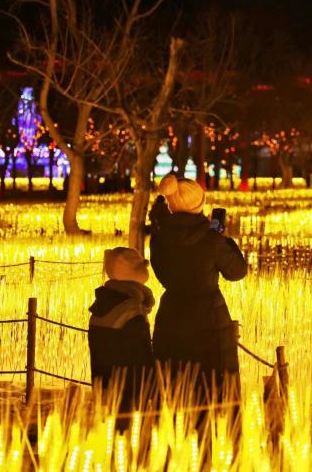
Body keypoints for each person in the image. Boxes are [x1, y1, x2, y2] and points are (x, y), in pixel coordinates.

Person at [148, 174, 248, 403]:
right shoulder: (211, 239)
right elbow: (237, 272)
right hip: (209, 318)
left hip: (171, 315)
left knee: (175, 384)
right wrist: (223, 239)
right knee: (213, 387)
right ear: (199, 204)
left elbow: (160, 271)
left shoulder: (159, 236)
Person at [88, 247, 155, 416]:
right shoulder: (131, 310)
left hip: (105, 391)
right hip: (130, 398)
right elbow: (140, 359)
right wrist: (150, 392)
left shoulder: (103, 305)